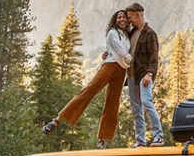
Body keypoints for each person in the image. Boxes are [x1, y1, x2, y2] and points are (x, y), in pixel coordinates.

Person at [42, 9, 132, 148]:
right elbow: (122, 53)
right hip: (109, 66)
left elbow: (124, 53)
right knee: (88, 91)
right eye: (119, 17)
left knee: (113, 103)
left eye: (124, 17)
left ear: (127, 20)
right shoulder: (112, 33)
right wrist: (132, 60)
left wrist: (126, 59)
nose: (122, 19)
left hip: (121, 71)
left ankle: (103, 139)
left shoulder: (126, 36)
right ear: (115, 20)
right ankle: (57, 120)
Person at [124, 2, 164, 147]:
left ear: (138, 14)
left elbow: (154, 57)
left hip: (144, 75)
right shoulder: (132, 33)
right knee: (136, 108)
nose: (129, 20)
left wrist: (150, 73)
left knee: (147, 103)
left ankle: (158, 136)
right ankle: (140, 140)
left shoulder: (150, 34)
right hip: (131, 75)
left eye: (130, 17)